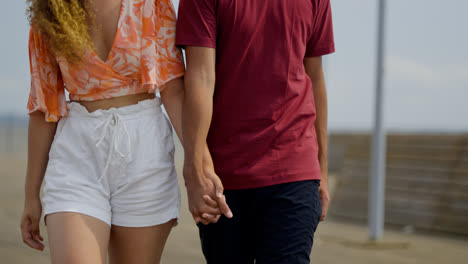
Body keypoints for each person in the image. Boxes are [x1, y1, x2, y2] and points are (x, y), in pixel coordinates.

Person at [19, 0, 200, 263]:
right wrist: (30, 194)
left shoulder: (153, 4)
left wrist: (197, 165)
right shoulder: (50, 10)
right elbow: (43, 107)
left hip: (144, 151)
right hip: (78, 153)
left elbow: (173, 90)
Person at [176, 0, 335, 263]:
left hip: (294, 169)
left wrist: (323, 172)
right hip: (223, 177)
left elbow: (314, 75)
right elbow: (200, 76)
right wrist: (194, 171)